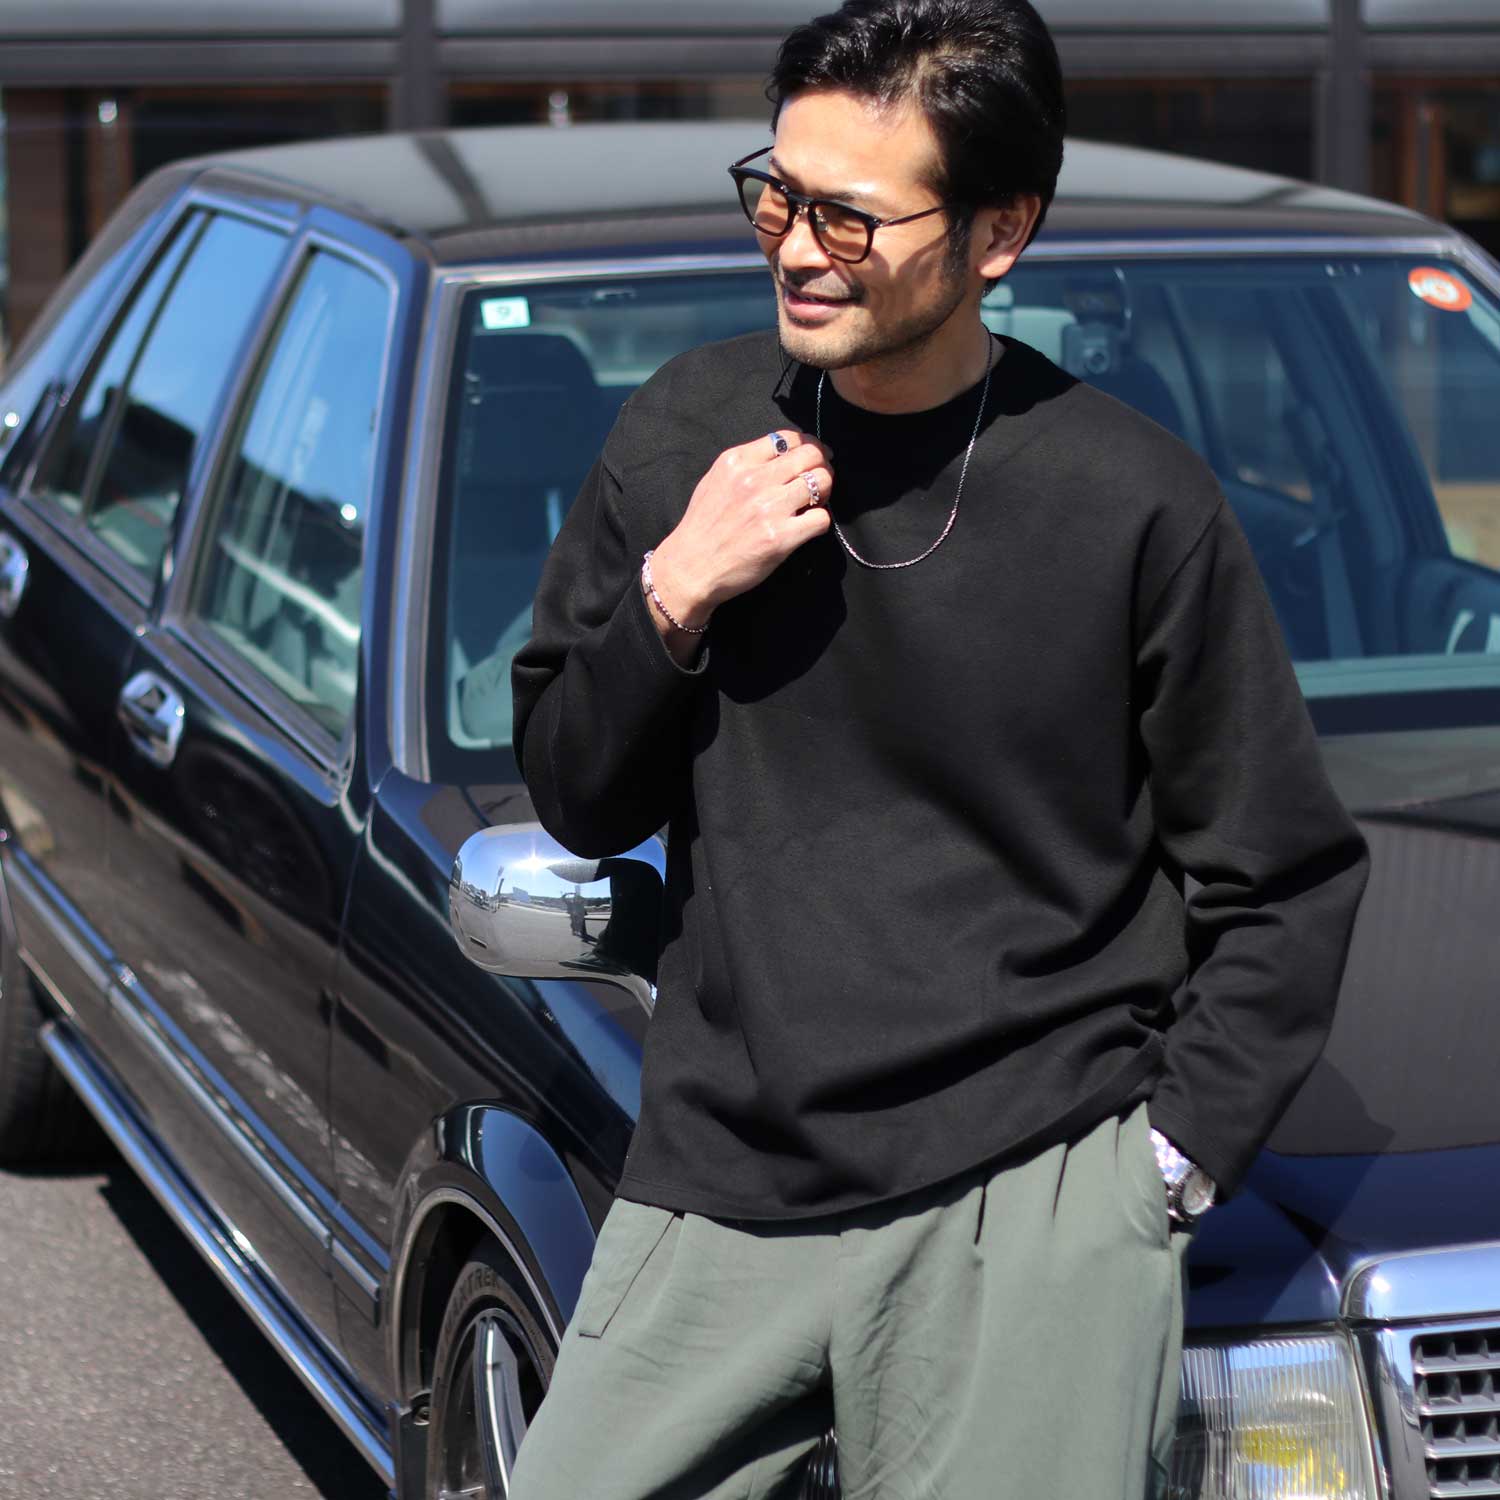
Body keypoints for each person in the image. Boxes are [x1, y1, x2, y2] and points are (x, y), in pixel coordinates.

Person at [508, 0, 1371, 1494]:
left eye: (848, 217)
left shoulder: (1133, 502)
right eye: (775, 195)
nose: (794, 248)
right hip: (724, 1178)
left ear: (999, 231)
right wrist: (677, 591)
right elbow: (577, 797)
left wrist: (1155, 1178)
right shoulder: (684, 436)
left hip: (1030, 1197)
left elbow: (1283, 875)